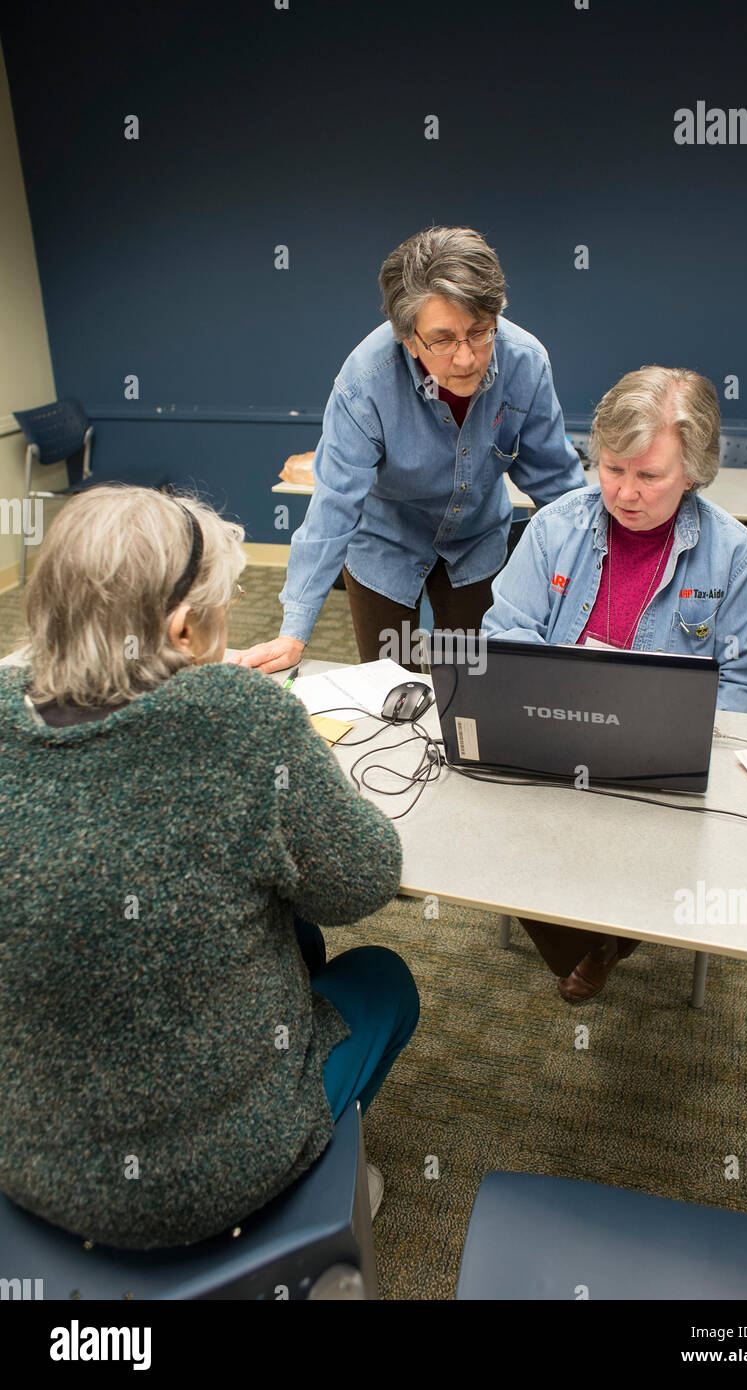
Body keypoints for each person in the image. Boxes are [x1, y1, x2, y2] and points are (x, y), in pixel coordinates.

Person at [0, 486, 418, 1249]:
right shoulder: (244, 721)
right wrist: (260, 730)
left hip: (26, 1153)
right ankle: (327, 1187)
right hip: (202, 1183)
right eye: (224, 608)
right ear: (185, 629)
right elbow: (364, 879)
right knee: (386, 980)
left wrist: (210, 704)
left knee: (297, 940)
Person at [481, 365, 747, 1004]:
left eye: (649, 476)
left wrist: (684, 747)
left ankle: (606, 930)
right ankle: (596, 938)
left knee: (642, 847)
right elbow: (504, 635)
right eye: (612, 468)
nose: (624, 492)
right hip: (556, 747)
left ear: (694, 472)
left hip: (662, 767)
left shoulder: (731, 555)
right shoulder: (556, 528)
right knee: (488, 823)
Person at [233, 225, 585, 675]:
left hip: (477, 541)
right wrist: (294, 629)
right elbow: (332, 509)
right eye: (441, 340)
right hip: (386, 543)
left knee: (475, 682)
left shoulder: (525, 362)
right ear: (408, 336)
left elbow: (558, 486)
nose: (466, 358)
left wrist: (593, 578)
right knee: (386, 685)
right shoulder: (365, 384)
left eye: (480, 331)